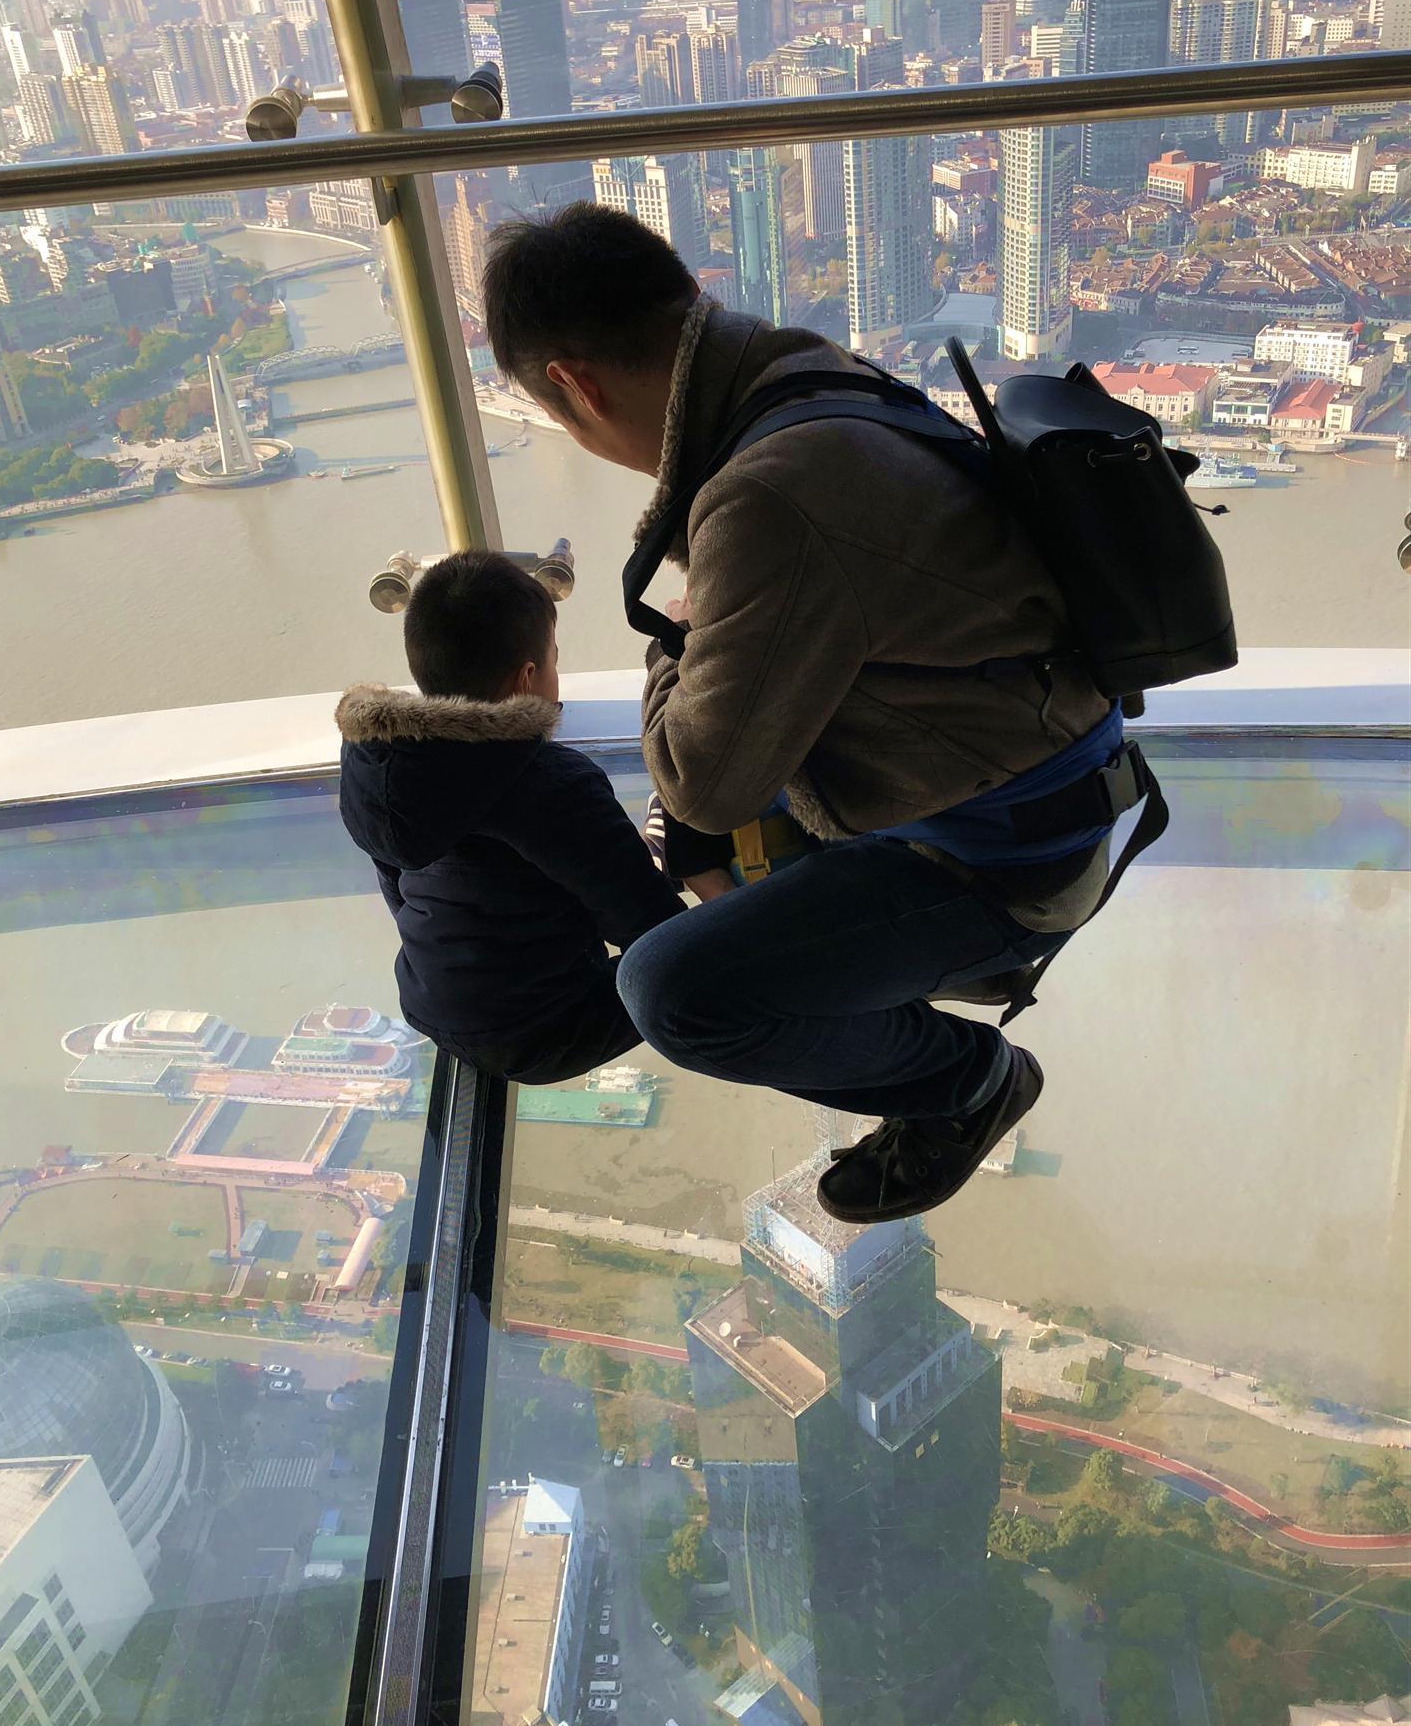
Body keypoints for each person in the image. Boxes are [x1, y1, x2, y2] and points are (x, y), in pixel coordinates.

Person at [481, 204, 1125, 1221]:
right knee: (684, 834)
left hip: (1000, 863)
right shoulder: (801, 372)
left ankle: (967, 1081)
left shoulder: (767, 498)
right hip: (1036, 770)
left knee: (673, 990)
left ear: (576, 386)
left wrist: (677, 633)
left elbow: (703, 782)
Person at [335, 549, 689, 1085]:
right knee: (701, 956)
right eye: (553, 660)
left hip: (426, 1004)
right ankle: (652, 854)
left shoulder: (378, 767)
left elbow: (398, 890)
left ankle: (644, 854)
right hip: (551, 1033)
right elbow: (650, 929)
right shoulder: (553, 783)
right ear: (527, 677)